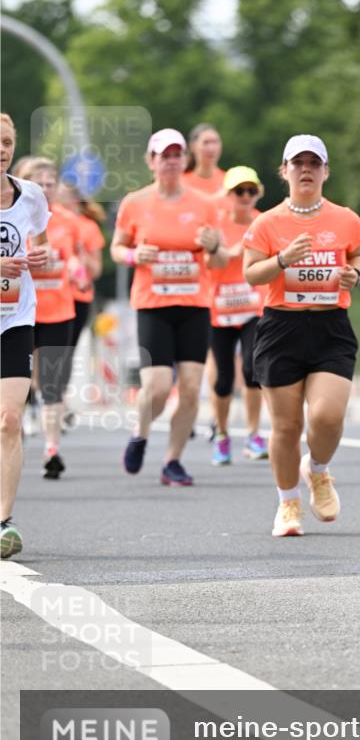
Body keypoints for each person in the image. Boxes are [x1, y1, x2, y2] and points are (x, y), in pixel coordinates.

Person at [243, 134, 360, 537]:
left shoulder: (345, 219)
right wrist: (281, 260)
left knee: (328, 416)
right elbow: (250, 272)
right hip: (282, 326)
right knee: (285, 427)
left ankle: (318, 471)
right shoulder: (268, 223)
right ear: (285, 171)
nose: (306, 169)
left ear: (326, 171)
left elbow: (357, 254)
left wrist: (355, 274)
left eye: (315, 163)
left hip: (331, 327)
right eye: (298, 163)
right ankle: (287, 504)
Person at [110, 128, 226, 486]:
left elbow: (220, 261)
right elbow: (116, 247)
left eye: (177, 155)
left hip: (193, 304)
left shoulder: (204, 205)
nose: (171, 161)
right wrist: (133, 255)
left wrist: (212, 247)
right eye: (164, 156)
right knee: (157, 387)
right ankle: (141, 432)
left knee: (191, 388)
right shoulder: (135, 202)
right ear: (152, 161)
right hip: (153, 304)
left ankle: (172, 460)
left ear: (184, 160)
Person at [1, 114, 50, 557]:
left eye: (7, 142)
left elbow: (42, 245)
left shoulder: (29, 195)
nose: (1, 150)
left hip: (15, 316)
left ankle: (4, 522)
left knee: (10, 419)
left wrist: (39, 257)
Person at [21, 157, 83, 478]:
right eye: (40, 184)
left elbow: (71, 258)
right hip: (19, 311)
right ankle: (17, 423)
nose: (46, 190)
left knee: (53, 383)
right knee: (20, 379)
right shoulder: (16, 215)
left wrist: (78, 270)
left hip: (59, 310)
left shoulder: (68, 222)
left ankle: (51, 449)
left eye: (51, 184)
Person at [209, 165, 269, 465]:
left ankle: (253, 434)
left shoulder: (263, 222)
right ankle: (221, 435)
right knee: (223, 378)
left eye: (250, 191)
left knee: (251, 370)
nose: (245, 197)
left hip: (252, 307)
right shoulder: (216, 224)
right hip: (218, 310)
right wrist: (230, 250)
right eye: (238, 191)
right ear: (228, 195)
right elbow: (214, 262)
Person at [56, 183, 106, 420]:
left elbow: (95, 269)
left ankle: (59, 399)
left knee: (66, 351)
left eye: (66, 196)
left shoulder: (88, 227)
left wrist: (80, 255)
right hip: (49, 298)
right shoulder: (43, 221)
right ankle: (38, 397)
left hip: (78, 298)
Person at [182, 123, 226, 197]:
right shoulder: (181, 182)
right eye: (206, 143)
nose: (211, 149)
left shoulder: (229, 181)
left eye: (215, 142)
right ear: (193, 147)